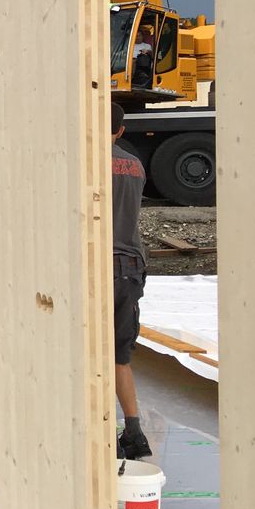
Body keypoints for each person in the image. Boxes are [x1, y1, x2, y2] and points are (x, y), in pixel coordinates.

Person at [111, 102, 152, 459]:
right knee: (119, 356)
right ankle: (134, 430)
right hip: (130, 269)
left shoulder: (87, 162)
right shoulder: (135, 164)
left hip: (98, 268)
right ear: (122, 130)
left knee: (83, 352)